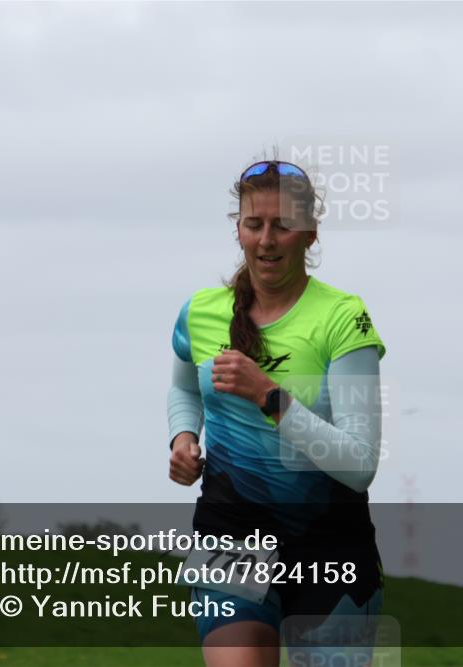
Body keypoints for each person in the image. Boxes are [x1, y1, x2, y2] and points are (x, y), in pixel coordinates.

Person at [166, 159, 387, 667]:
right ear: (238, 229)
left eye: (282, 225)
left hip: (330, 541)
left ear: (309, 233)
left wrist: (270, 396)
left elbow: (359, 466)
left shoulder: (342, 317)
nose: (266, 239)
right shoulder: (200, 312)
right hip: (231, 530)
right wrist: (182, 439)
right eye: (254, 224)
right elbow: (184, 389)